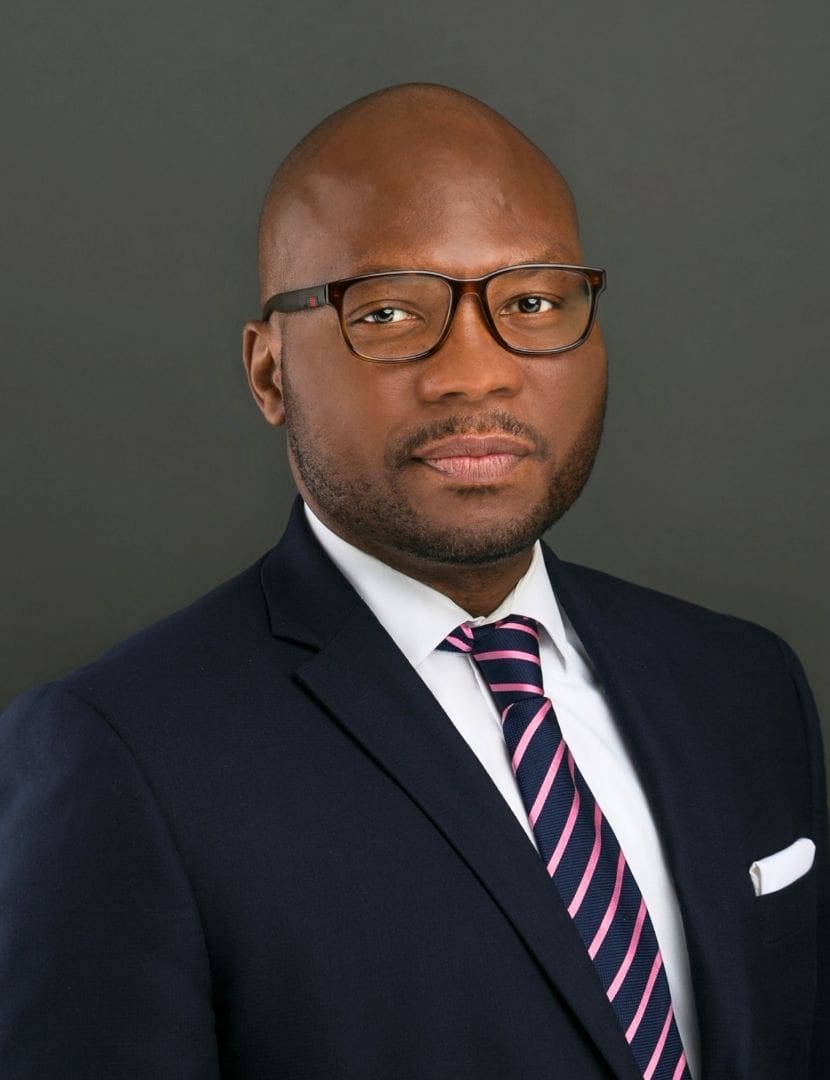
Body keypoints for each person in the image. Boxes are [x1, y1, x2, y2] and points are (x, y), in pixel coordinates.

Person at [0, 83, 826, 1080]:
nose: (474, 372)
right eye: (388, 312)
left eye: (530, 303)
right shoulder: (121, 757)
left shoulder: (739, 686)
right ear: (268, 373)